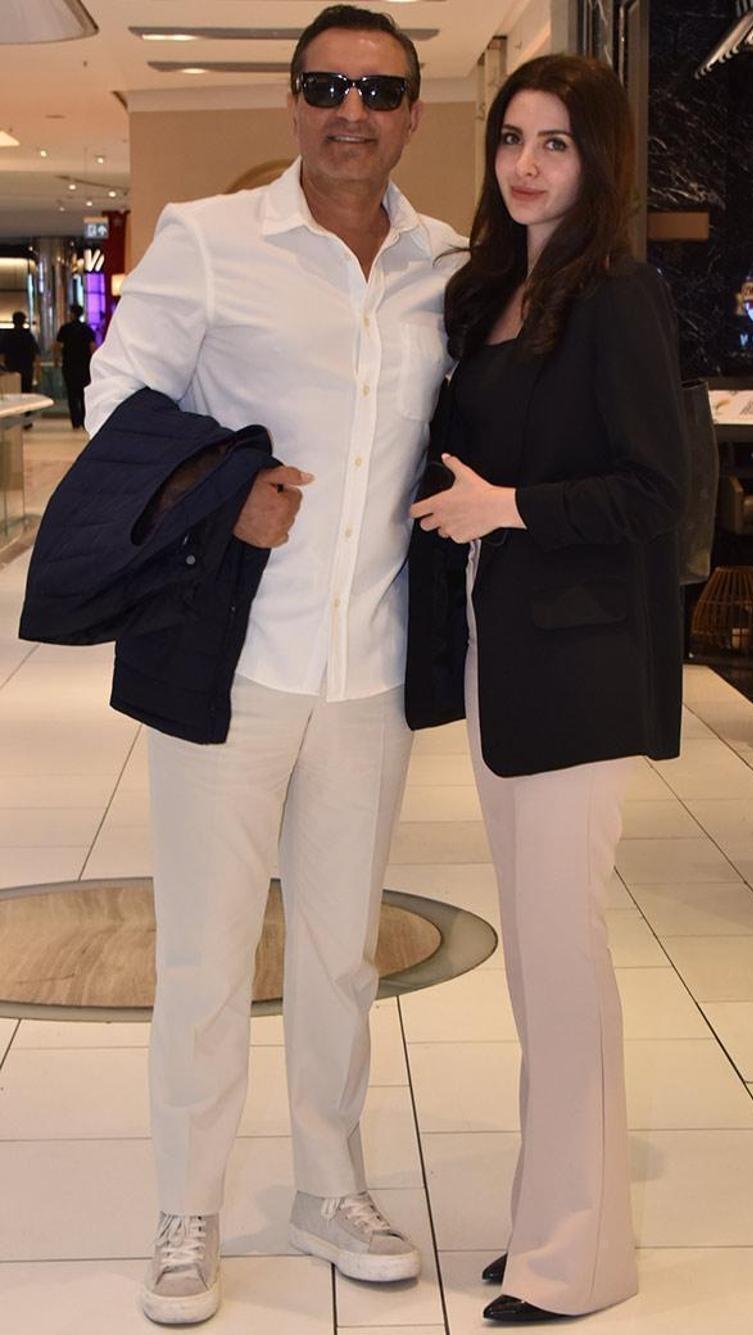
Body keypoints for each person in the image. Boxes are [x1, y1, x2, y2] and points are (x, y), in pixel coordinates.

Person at [83, 4, 462, 1325]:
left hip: (369, 668)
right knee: (202, 952)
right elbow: (115, 404)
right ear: (293, 101)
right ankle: (186, 1207)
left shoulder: (444, 265)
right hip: (227, 663)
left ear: (411, 114)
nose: (351, 110)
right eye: (326, 85)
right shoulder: (209, 240)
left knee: (342, 952)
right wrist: (217, 489)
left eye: (379, 90)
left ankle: (327, 1184)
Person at [408, 54, 688, 1325]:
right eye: (512, 139)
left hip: (580, 668)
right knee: (534, 959)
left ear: (597, 157)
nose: (525, 164)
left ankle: (578, 1260)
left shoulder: (616, 296)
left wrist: (509, 509)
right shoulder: (495, 290)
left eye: (555, 143)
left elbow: (652, 492)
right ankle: (548, 1225)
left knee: (561, 959)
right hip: (502, 652)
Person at [55, 302, 95, 428]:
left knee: (71, 394)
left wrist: (56, 360)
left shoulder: (65, 329)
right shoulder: (87, 329)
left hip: (69, 365)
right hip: (84, 366)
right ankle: (84, 419)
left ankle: (75, 421)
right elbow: (92, 347)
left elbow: (58, 346)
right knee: (84, 393)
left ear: (72, 314)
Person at [0, 309, 41, 393]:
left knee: (12, 394)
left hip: (10, 371)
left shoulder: (7, 336)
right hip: (27, 371)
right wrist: (37, 372)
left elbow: (2, 356)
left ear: (13, 321)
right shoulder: (28, 336)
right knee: (26, 394)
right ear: (24, 321)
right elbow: (36, 354)